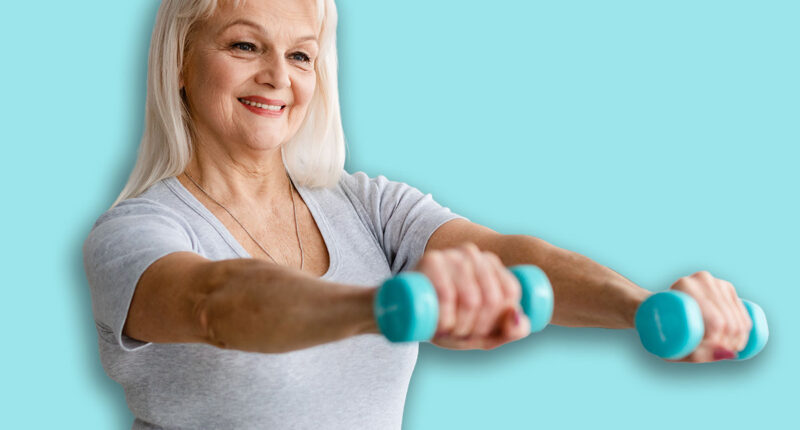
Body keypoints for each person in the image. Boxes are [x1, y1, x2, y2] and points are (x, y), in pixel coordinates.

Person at [82, 0, 754, 428]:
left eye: (300, 56)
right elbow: (216, 304)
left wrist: (641, 308)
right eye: (243, 46)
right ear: (178, 61)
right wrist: (382, 308)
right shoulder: (137, 233)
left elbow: (512, 255)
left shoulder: (365, 204)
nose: (278, 78)